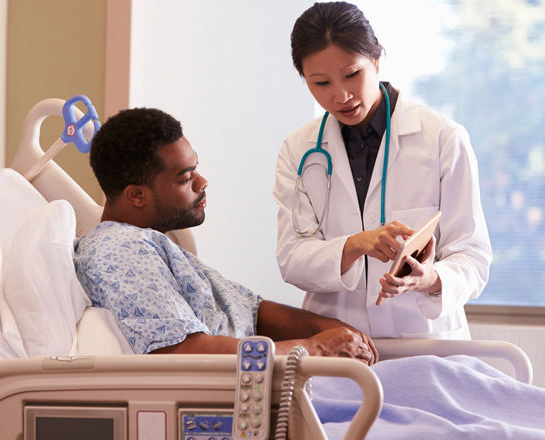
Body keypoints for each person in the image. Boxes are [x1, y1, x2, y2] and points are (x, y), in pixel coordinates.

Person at [73, 107, 377, 364]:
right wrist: (316, 348)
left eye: (196, 169)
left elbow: (253, 311)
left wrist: (336, 330)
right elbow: (184, 352)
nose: (202, 182)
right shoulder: (121, 251)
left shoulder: (155, 245)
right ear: (137, 195)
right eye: (186, 177)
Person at [273, 2, 493, 339]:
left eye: (351, 74)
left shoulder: (443, 139)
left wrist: (430, 280)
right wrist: (355, 245)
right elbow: (291, 259)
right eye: (320, 83)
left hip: (424, 344)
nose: (341, 95)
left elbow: (472, 255)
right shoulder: (298, 150)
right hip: (338, 344)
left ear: (376, 60)